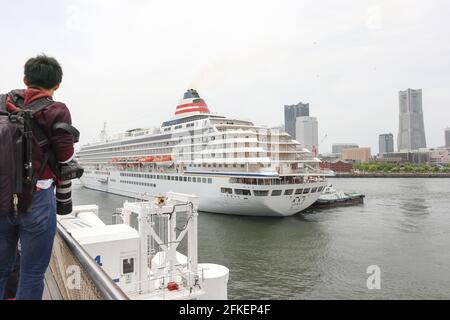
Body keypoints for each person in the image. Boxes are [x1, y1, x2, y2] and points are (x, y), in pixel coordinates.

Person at [0, 55, 75, 300]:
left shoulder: (3, 103)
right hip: (37, 200)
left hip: (1, 196)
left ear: (24, 79)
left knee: (1, 270)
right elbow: (64, 157)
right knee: (32, 273)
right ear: (57, 85)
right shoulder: (56, 110)